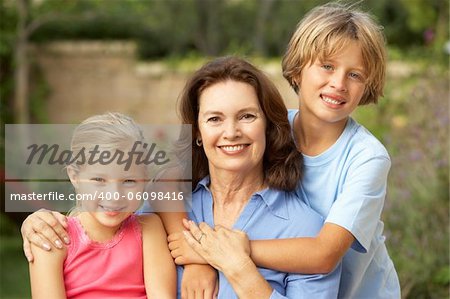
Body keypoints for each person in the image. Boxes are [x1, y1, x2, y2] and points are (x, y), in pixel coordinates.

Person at [23, 57, 341, 298]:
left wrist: (239, 267)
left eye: (247, 116)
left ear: (268, 126)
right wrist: (39, 223)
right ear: (198, 133)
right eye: (214, 118)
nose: (231, 132)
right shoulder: (166, 207)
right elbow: (100, 223)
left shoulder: (304, 229)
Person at [176, 3, 401, 299]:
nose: (338, 84)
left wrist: (223, 252)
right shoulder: (270, 128)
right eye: (327, 66)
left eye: (355, 75)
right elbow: (163, 183)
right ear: (297, 71)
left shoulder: (367, 158)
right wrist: (197, 257)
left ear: (367, 85)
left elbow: (323, 255)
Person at [28, 112, 176, 298]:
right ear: (75, 177)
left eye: (129, 180)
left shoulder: (149, 229)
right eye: (99, 179)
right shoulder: (53, 237)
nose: (114, 196)